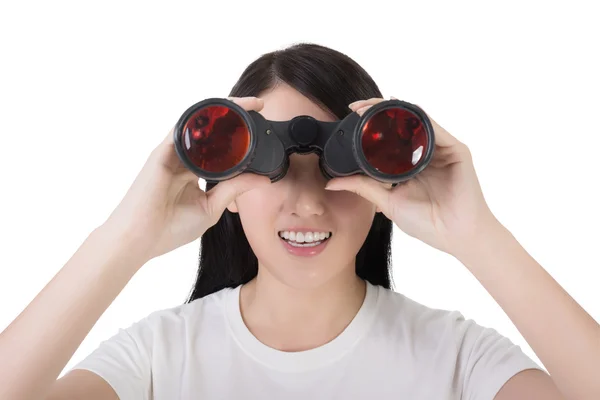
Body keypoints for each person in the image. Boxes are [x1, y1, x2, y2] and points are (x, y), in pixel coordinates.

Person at [0, 43, 597, 400]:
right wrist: (125, 239)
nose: (308, 205)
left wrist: (478, 236)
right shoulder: (158, 358)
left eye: (338, 169)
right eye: (274, 166)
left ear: (384, 181)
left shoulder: (457, 358)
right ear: (226, 182)